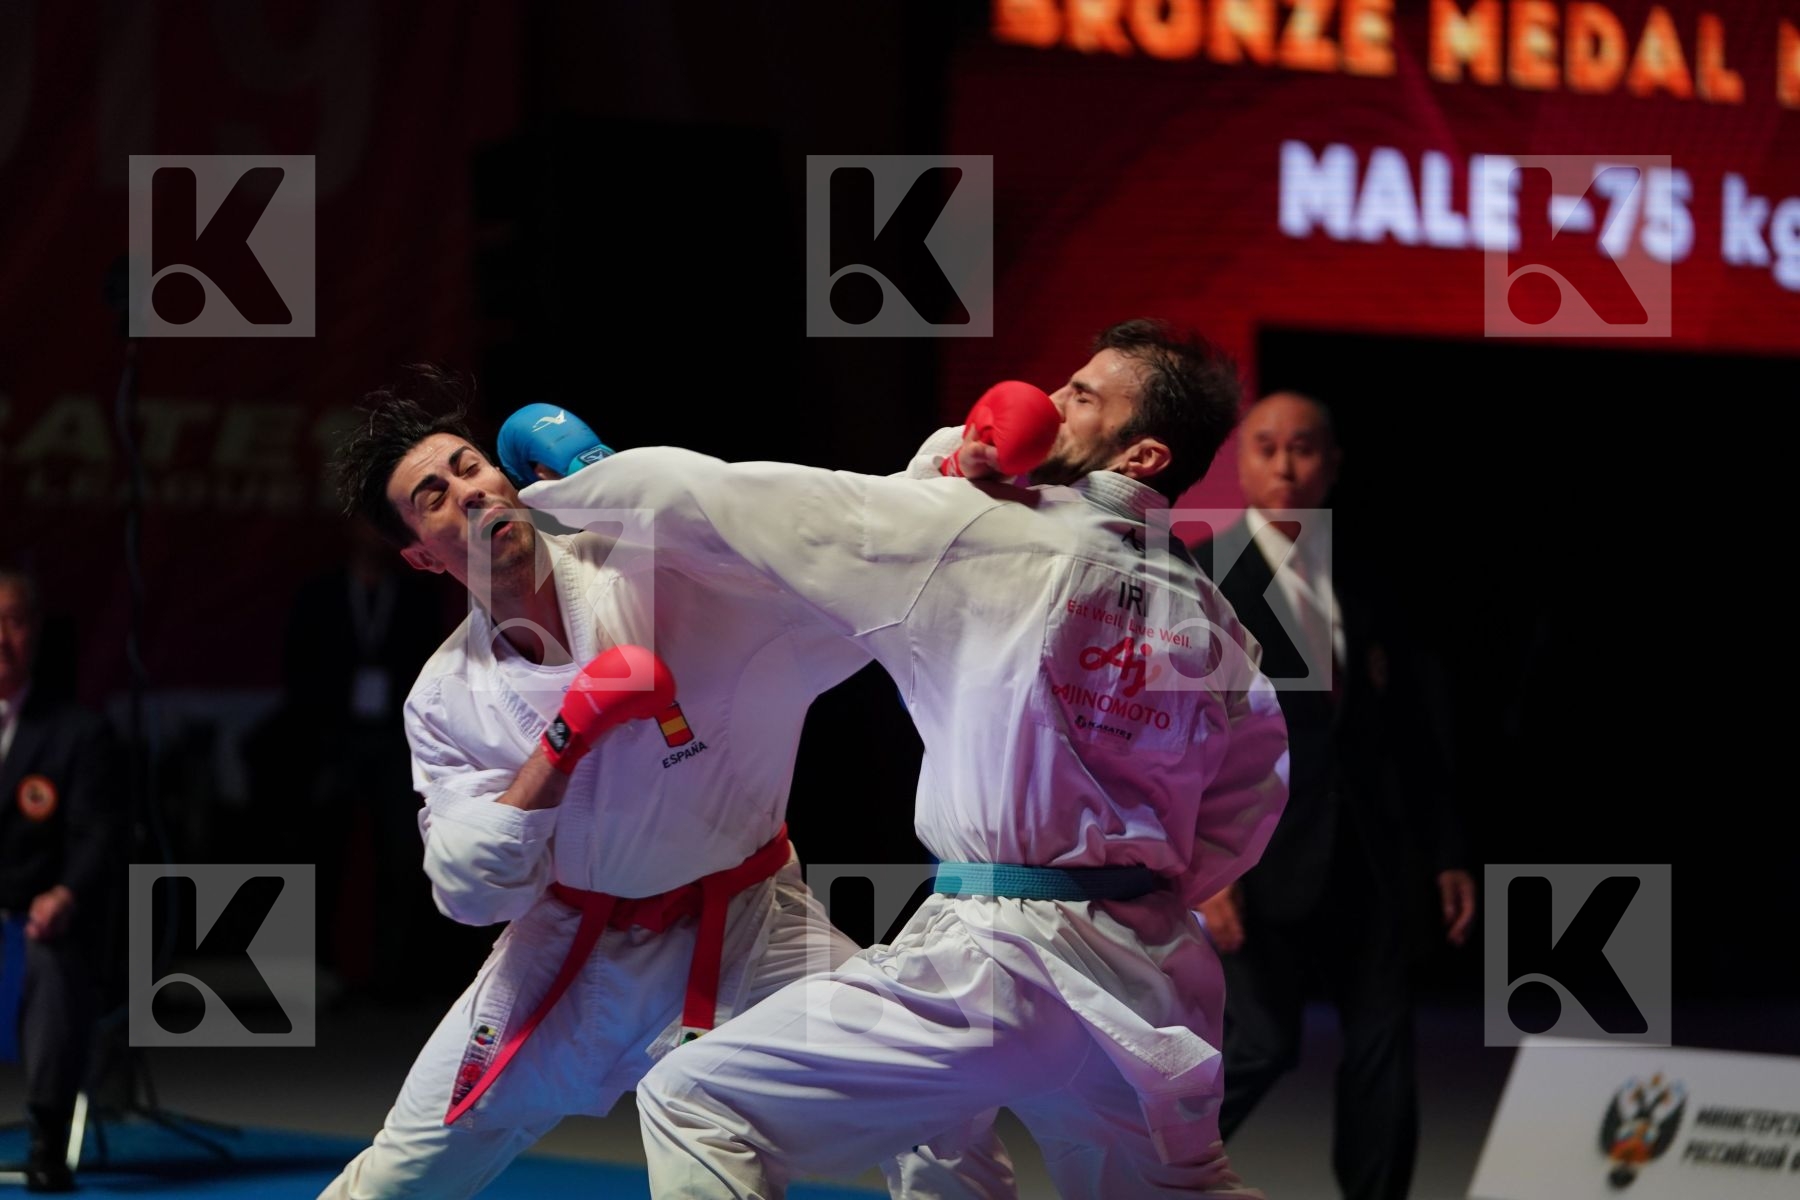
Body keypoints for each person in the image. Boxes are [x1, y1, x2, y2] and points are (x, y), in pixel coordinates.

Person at [521, 319, 1291, 1198]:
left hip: (1000, 959)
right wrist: (1135, 887)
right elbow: (1250, 801)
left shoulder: (987, 530)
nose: (1048, 402)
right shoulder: (1216, 623)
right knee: (1131, 1183)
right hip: (1145, 981)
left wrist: (580, 482)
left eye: (1081, 396)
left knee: (695, 1101)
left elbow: (735, 500)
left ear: (1144, 454)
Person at [316, 370, 1009, 1199]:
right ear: (422, 555)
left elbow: (822, 541)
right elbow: (472, 892)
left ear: (508, 479)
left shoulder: (663, 572)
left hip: (752, 930)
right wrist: (565, 740)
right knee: (399, 1177)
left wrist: (945, 473)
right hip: (567, 959)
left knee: (941, 1112)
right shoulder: (446, 696)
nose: (467, 492)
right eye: (433, 496)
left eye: (470, 467)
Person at [1193, 391, 1476, 1200]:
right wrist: (1205, 866)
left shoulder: (1367, 574)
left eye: (1305, 447)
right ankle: (1139, 1174)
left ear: (1334, 463)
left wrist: (1447, 852)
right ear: (1242, 462)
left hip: (1369, 852)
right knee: (1262, 1043)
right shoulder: (1201, 573)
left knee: (1385, 1040)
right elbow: (1178, 736)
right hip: (1251, 854)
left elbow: (1410, 726)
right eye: (1268, 447)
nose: (1286, 465)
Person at [0, 568, 124, 1193]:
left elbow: (96, 837)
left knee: (51, 956)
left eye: (14, 621)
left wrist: (64, 894)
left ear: (36, 631)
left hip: (35, 919)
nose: (1, 638)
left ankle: (47, 1135)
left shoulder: (77, 732)